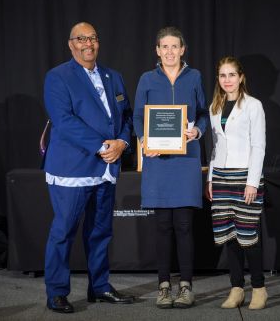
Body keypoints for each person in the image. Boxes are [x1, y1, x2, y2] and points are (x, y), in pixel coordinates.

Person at [42, 22, 134, 314]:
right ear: (71, 44)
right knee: (64, 231)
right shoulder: (57, 77)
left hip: (106, 168)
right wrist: (103, 146)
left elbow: (127, 117)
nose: (88, 43)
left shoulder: (114, 76)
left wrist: (121, 141)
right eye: (81, 39)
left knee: (100, 231)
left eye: (92, 38)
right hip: (73, 168)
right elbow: (64, 121)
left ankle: (100, 286)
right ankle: (56, 292)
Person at [133, 26, 208, 309]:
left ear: (183, 49)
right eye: (164, 47)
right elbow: (139, 116)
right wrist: (143, 140)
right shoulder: (147, 79)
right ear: (157, 51)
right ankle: (163, 285)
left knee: (185, 226)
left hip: (186, 160)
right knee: (163, 226)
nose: (169, 51)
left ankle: (186, 285)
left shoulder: (195, 77)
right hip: (158, 162)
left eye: (174, 46)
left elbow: (203, 113)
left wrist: (197, 132)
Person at [205, 56, 267, 310]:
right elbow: (214, 147)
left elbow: (259, 145)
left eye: (231, 75)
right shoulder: (214, 107)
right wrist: (210, 178)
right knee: (228, 236)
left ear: (241, 77)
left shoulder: (253, 105)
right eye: (222, 75)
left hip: (245, 178)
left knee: (247, 234)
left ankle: (260, 289)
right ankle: (236, 288)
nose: (227, 80)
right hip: (220, 177)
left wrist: (253, 182)